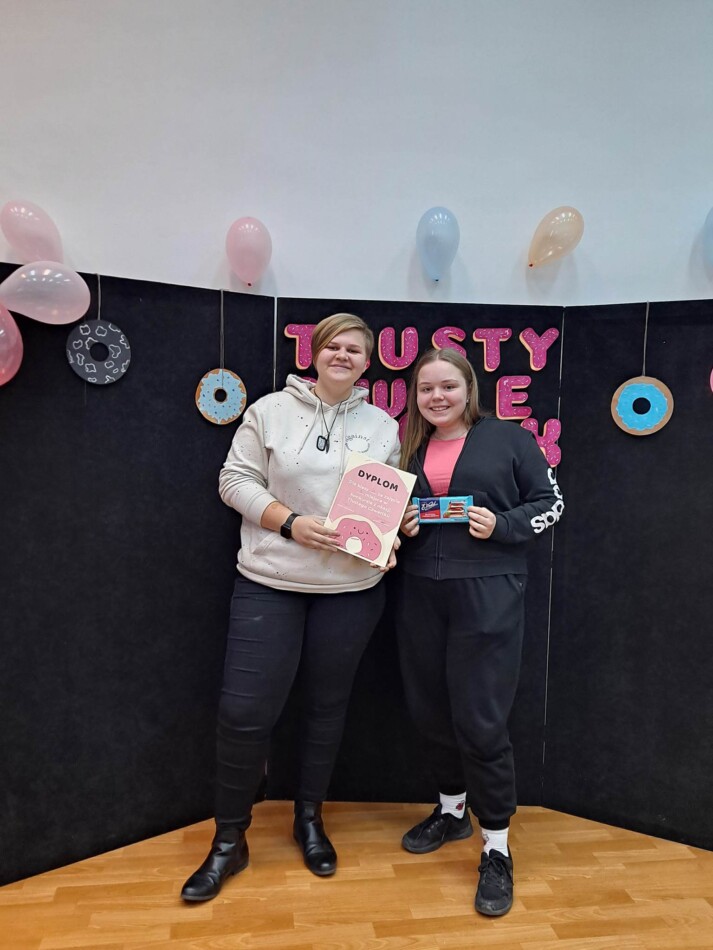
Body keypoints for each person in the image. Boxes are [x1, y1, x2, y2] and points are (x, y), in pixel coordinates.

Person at [181, 313, 400, 902]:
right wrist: (291, 524)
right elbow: (234, 481)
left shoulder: (383, 425)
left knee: (326, 711)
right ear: (315, 352)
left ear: (367, 362)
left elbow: (388, 499)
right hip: (270, 580)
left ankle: (309, 820)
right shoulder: (269, 411)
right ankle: (230, 840)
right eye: (334, 346)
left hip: (351, 590)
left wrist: (391, 535)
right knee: (243, 713)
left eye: (355, 349)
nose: (343, 356)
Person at [397, 347, 563, 917]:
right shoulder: (407, 449)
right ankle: (452, 813)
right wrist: (403, 524)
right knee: (429, 711)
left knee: (481, 720)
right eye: (426, 389)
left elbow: (551, 503)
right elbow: (382, 517)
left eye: (448, 386)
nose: (436, 397)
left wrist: (504, 524)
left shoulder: (510, 439)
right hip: (420, 591)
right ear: (416, 396)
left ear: (469, 388)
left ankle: (496, 846)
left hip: (489, 592)